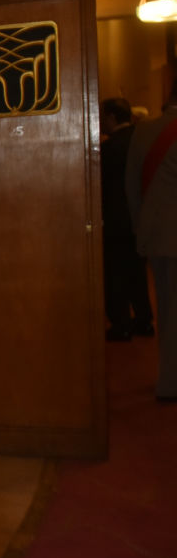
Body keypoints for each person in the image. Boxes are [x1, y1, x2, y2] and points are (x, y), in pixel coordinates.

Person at [126, 78, 177, 402]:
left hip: (159, 237)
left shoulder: (143, 131)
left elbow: (131, 186)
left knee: (169, 313)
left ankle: (169, 381)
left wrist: (140, 230)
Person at [100, 97, 154, 341]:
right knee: (137, 274)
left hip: (116, 220)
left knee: (116, 276)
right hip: (142, 218)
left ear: (111, 117)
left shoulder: (110, 150)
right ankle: (144, 320)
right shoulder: (142, 141)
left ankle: (121, 323)